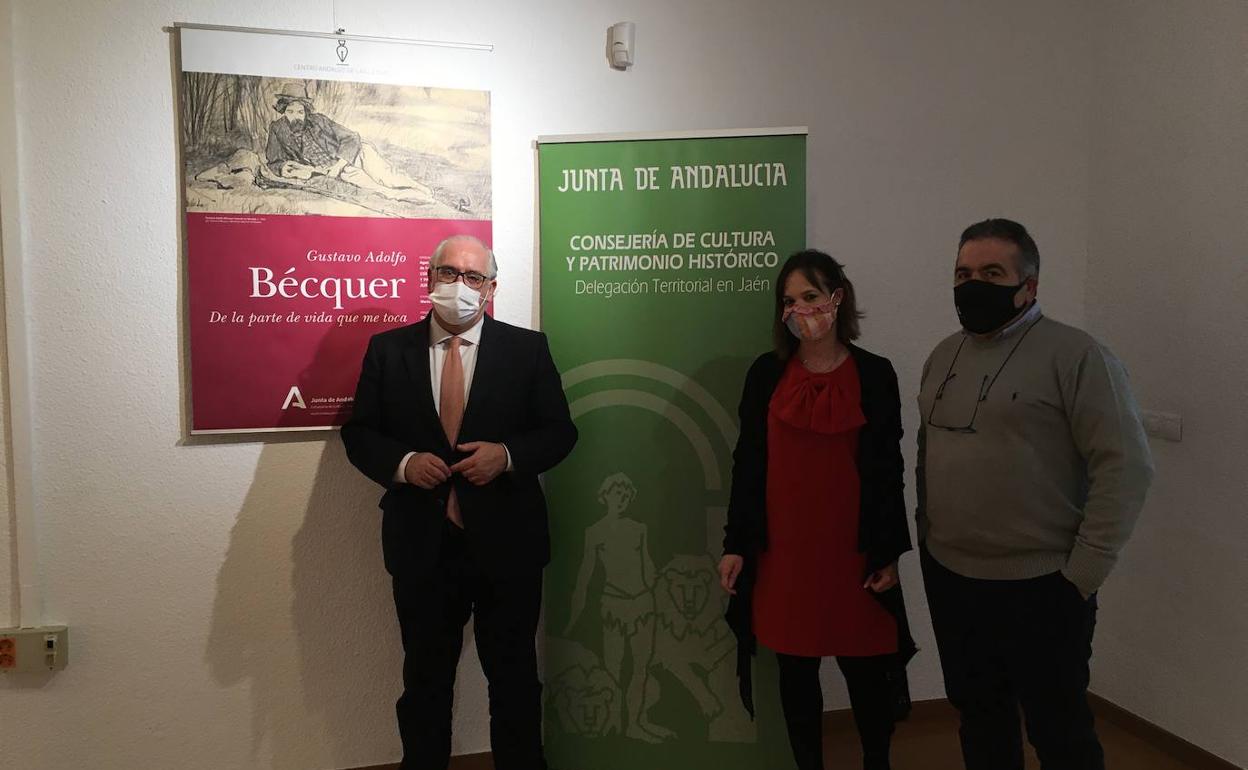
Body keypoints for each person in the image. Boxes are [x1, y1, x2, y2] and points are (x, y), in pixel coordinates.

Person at [917, 218, 1154, 770]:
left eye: (992, 273)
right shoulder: (942, 356)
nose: (973, 284)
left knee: (1059, 731)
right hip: (953, 579)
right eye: (963, 273)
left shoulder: (1077, 356)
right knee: (980, 722)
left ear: (1030, 286)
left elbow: (1127, 467)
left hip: (1044, 587)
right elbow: (929, 456)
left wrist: (1084, 572)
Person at [341, 235, 578, 770]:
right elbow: (360, 435)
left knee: (515, 677)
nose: (460, 286)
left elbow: (560, 433)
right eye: (448, 273)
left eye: (473, 277)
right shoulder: (388, 349)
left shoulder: (528, 349)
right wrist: (403, 465)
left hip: (508, 545)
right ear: (428, 280)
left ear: (491, 289)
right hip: (423, 546)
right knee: (425, 680)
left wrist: (508, 455)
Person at [719, 250, 917, 770]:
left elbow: (888, 471)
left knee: (869, 677)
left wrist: (890, 552)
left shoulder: (875, 374)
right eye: (789, 301)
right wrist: (735, 545)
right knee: (797, 679)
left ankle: (878, 762)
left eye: (810, 296)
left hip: (853, 555)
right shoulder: (766, 374)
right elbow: (748, 466)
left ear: (837, 298)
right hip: (784, 558)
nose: (800, 309)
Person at [265, 81, 436, 202]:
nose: (296, 116)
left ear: (306, 111)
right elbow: (273, 160)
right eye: (291, 111)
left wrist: (338, 165)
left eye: (300, 112)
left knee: (388, 178)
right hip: (336, 170)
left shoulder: (319, 121)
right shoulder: (277, 129)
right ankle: (423, 199)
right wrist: (284, 169)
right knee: (381, 191)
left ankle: (422, 189)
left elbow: (351, 137)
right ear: (283, 110)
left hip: (357, 154)